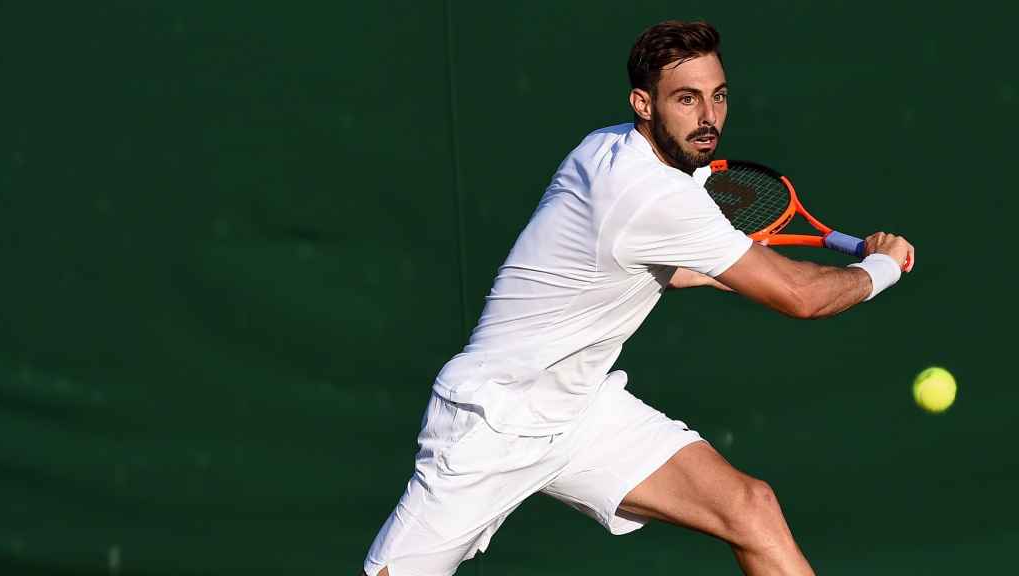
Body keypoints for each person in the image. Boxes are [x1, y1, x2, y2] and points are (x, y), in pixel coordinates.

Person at [362, 20, 914, 576]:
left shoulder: (604, 146)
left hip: (578, 411)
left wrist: (745, 271)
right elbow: (799, 297)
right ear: (643, 103)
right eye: (686, 99)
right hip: (493, 418)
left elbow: (656, 270)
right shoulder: (651, 197)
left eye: (718, 97)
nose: (708, 118)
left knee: (750, 508)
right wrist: (880, 268)